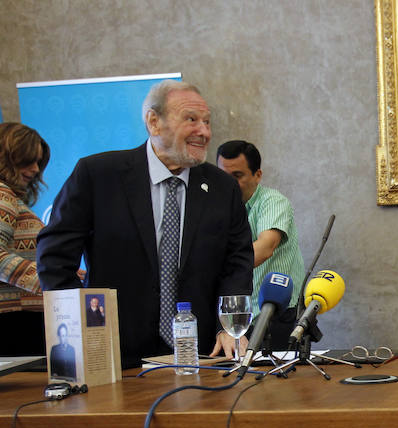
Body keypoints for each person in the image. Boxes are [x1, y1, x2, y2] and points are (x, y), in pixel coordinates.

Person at [36, 80, 253, 368]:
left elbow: (237, 262)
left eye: (207, 122)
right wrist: (82, 326)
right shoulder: (98, 175)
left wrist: (229, 327)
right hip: (115, 356)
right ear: (154, 121)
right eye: (191, 120)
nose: (204, 132)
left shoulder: (222, 188)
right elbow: (54, 258)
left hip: (203, 356)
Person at [216, 140, 305, 350]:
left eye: (237, 176)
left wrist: (220, 272)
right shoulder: (218, 207)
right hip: (237, 317)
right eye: (223, 177)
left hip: (278, 313)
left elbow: (265, 248)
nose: (229, 184)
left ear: (258, 175)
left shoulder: (272, 201)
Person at [0, 122, 50, 356]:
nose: (34, 169)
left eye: (38, 162)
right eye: (27, 161)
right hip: (14, 324)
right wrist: (52, 279)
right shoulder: (1, 193)